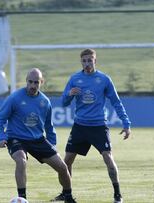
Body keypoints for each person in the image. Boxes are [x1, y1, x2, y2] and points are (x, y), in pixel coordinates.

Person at [52, 49, 131, 203]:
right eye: (84, 61)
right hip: (80, 126)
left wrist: (126, 123)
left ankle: (117, 194)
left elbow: (116, 102)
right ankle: (66, 193)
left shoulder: (104, 79)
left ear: (95, 61)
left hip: (98, 126)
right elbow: (63, 103)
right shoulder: (75, 79)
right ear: (81, 62)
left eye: (90, 60)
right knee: (66, 161)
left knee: (108, 158)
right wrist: (69, 95)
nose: (87, 63)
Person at [0, 68, 76, 203]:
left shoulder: (45, 102)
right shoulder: (14, 98)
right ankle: (23, 198)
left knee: (62, 167)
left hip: (38, 139)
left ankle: (68, 197)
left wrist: (51, 144)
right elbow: (0, 119)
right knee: (21, 161)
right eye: (30, 82)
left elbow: (49, 126)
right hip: (16, 138)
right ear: (26, 81)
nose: (33, 85)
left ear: (41, 82)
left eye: (36, 82)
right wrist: (1, 137)